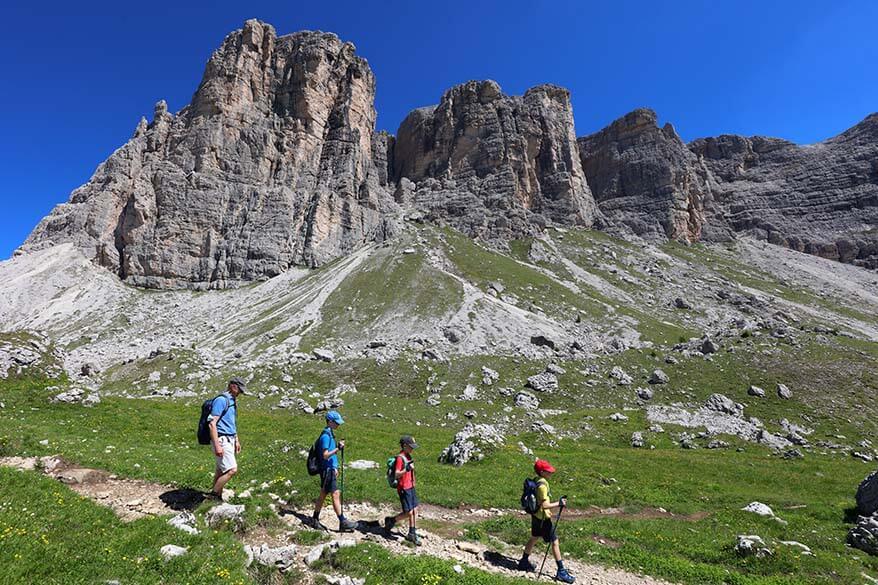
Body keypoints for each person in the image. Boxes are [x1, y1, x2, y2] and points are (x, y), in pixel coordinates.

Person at [518, 459, 574, 583]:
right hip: (544, 518)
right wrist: (559, 503)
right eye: (548, 471)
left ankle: (523, 562)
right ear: (542, 472)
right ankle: (561, 572)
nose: (551, 473)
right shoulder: (542, 486)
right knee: (554, 542)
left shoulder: (536, 480)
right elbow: (545, 505)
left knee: (534, 537)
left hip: (536, 516)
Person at [309, 410, 357, 531]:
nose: (338, 425)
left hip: (330, 470)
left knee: (323, 495)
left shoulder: (329, 434)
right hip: (327, 470)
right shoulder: (326, 436)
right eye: (336, 422)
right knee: (335, 494)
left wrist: (335, 467)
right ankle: (342, 521)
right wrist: (338, 448)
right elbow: (325, 455)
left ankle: (315, 519)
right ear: (329, 421)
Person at [208, 377, 247, 499]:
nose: (240, 393)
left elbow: (231, 422)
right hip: (221, 439)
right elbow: (212, 423)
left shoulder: (232, 401)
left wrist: (236, 440)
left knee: (220, 470)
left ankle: (217, 497)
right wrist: (217, 445)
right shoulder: (221, 400)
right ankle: (213, 495)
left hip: (229, 438)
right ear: (233, 386)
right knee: (232, 470)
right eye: (239, 390)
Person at [384, 435, 420, 545]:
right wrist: (406, 469)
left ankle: (412, 533)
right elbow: (397, 474)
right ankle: (392, 521)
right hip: (404, 487)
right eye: (410, 446)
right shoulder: (400, 458)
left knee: (414, 510)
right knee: (408, 512)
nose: (412, 449)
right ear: (404, 446)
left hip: (411, 486)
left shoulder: (408, 456)